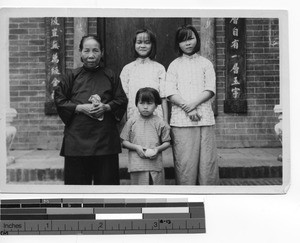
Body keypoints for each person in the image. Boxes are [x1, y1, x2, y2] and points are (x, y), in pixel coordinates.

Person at [54, 35, 128, 185]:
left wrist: (106, 107)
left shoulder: (110, 75)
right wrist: (80, 108)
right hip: (77, 141)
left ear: (102, 52)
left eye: (95, 50)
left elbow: (121, 100)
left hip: (105, 141)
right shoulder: (71, 76)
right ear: (80, 52)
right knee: (77, 192)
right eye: (86, 51)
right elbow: (60, 101)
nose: (91, 55)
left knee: (107, 189)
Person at [165, 25, 219, 185]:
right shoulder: (174, 65)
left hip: (204, 118)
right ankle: (186, 196)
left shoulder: (206, 63)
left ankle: (209, 198)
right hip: (181, 121)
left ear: (197, 39)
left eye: (190, 38)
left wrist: (193, 105)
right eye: (183, 40)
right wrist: (187, 108)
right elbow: (170, 91)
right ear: (178, 44)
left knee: (206, 163)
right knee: (185, 164)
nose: (187, 43)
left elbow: (210, 89)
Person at [120, 87, 171, 185]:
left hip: (155, 165)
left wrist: (157, 149)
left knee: (155, 194)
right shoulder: (131, 121)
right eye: (141, 103)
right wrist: (136, 147)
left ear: (156, 105)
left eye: (149, 103)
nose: (145, 107)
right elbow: (124, 141)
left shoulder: (160, 123)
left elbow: (167, 142)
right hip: (137, 165)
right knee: (138, 194)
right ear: (136, 104)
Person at [120, 28, 168, 122]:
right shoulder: (127, 69)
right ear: (134, 44)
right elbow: (123, 99)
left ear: (152, 45)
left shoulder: (159, 68)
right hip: (133, 117)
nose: (142, 46)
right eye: (139, 42)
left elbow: (163, 98)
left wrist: (165, 121)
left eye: (147, 42)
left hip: (156, 118)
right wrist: (125, 122)